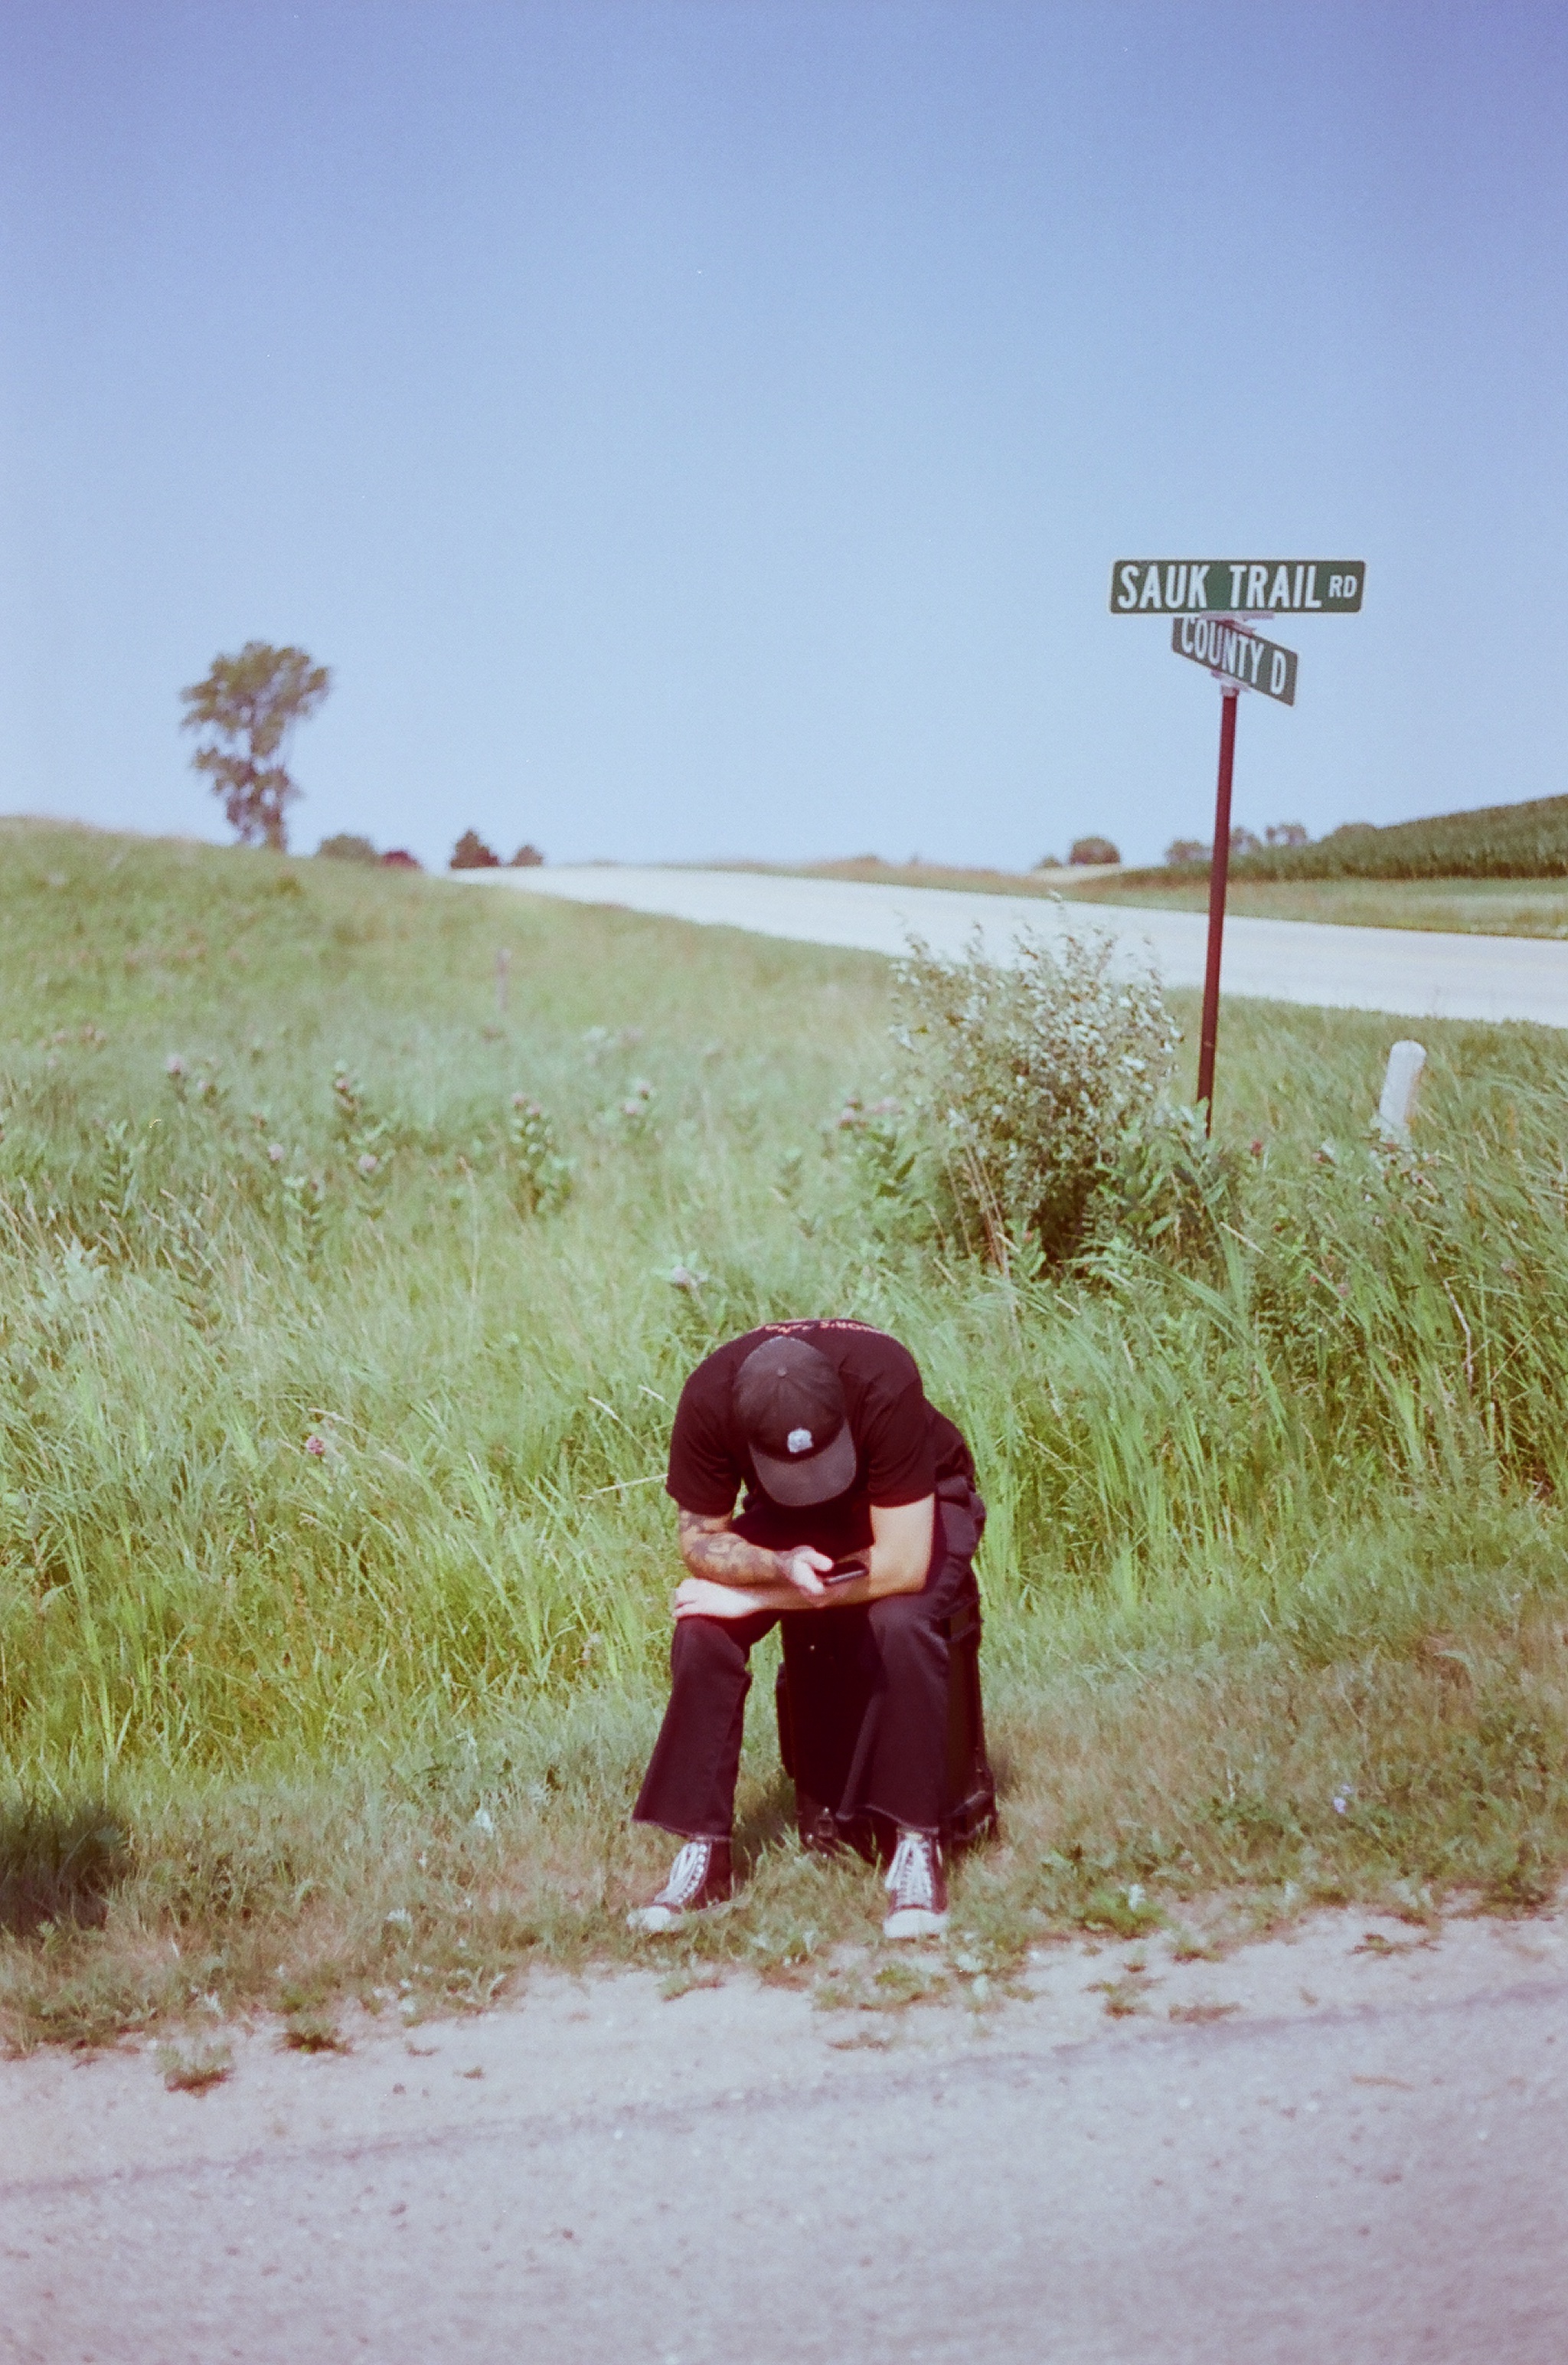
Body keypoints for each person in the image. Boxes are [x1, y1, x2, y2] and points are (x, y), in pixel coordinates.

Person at [628, 1317, 988, 1941]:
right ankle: (704, 1851)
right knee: (702, 1627)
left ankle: (916, 1842)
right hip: (785, 1520)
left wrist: (757, 1598)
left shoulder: (881, 1377)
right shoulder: (709, 1399)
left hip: (909, 1503)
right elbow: (700, 1540)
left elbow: (901, 1567)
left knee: (901, 1620)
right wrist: (779, 1566)